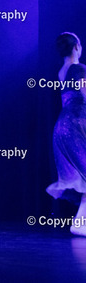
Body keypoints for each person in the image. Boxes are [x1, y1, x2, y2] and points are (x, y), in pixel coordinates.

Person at [47, 63, 86, 236]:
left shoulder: (62, 71)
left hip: (64, 125)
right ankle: (79, 222)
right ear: (77, 49)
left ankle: (80, 222)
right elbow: (84, 90)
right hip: (74, 125)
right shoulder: (77, 68)